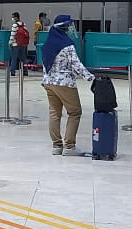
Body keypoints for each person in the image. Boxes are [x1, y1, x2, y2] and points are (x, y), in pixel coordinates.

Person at [40, 14, 95, 156]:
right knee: (75, 112)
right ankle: (69, 146)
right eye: (69, 26)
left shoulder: (47, 44)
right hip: (64, 83)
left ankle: (56, 145)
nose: (71, 28)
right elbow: (76, 65)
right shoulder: (67, 45)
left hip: (48, 82)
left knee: (54, 113)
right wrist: (91, 78)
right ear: (63, 27)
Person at [8, 12, 29, 77]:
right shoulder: (24, 24)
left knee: (14, 58)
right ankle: (25, 71)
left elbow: (12, 35)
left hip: (15, 44)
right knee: (23, 59)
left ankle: (12, 71)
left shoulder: (15, 25)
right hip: (23, 44)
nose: (12, 18)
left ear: (16, 17)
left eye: (13, 17)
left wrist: (10, 43)